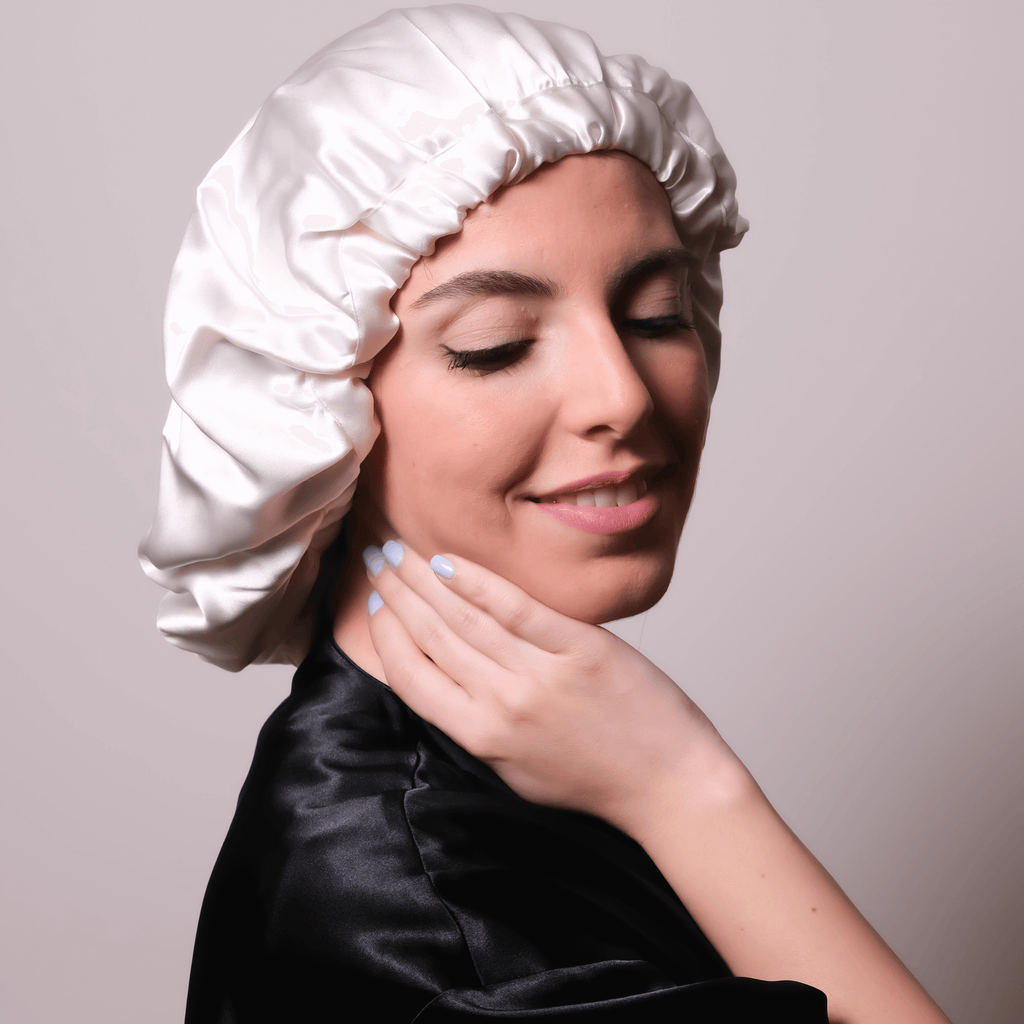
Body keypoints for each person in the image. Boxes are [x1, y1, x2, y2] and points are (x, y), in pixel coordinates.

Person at [139, 7, 951, 1022]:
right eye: (493, 343)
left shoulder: (512, 776)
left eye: (657, 314)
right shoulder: (430, 935)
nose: (622, 393)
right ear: (318, 405)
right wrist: (685, 785)